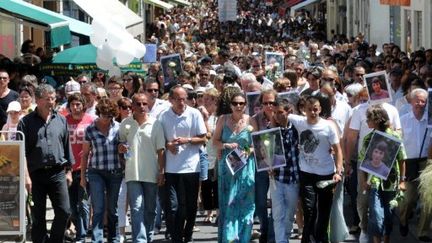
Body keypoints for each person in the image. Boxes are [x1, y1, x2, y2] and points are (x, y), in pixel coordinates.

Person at [17, 83, 74, 242]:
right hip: (36, 175)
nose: (51, 102)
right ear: (38, 100)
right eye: (48, 99)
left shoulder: (61, 120)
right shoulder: (26, 122)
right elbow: (22, 152)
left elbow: (66, 146)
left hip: (57, 173)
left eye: (54, 98)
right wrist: (26, 177)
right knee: (38, 217)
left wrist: (68, 171)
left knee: (64, 211)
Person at [288, 95, 343, 243]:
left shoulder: (328, 126)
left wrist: (338, 172)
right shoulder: (299, 121)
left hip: (326, 174)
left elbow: (338, 150)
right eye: (310, 110)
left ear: (320, 109)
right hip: (306, 173)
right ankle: (307, 239)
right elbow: (278, 111)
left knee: (324, 211)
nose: (313, 112)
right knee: (309, 210)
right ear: (304, 110)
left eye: (316, 109)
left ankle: (321, 238)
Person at [158, 85, 207, 243]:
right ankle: (176, 236)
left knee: (190, 205)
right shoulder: (163, 116)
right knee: (173, 206)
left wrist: (188, 140)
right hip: (171, 168)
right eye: (178, 99)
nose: (181, 102)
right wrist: (168, 145)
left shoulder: (194, 114)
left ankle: (188, 233)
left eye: (184, 98)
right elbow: (158, 140)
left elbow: (203, 138)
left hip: (191, 167)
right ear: (170, 100)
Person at [118, 93, 166, 242]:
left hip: (151, 173)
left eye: (144, 104)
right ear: (132, 106)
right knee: (137, 208)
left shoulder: (156, 124)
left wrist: (161, 172)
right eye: (138, 104)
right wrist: (121, 148)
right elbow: (121, 146)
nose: (141, 107)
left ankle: (148, 236)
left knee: (150, 209)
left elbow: (161, 151)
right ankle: (140, 239)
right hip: (132, 173)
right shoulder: (125, 123)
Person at [213, 92, 258, 243]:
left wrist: (245, 152)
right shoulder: (223, 119)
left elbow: (256, 145)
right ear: (231, 105)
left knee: (245, 203)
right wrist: (225, 145)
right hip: (227, 167)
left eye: (241, 103)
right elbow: (215, 142)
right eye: (235, 103)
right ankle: (229, 238)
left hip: (245, 166)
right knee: (228, 202)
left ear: (245, 105)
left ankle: (243, 238)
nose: (238, 106)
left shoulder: (251, 120)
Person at [359, 105, 406, 243]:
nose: (367, 121)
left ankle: (386, 240)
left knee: (388, 215)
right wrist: (363, 180)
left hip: (391, 182)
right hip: (374, 183)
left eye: (369, 119)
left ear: (377, 119)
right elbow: (363, 162)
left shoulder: (394, 136)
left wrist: (402, 181)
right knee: (375, 215)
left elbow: (402, 159)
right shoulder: (368, 138)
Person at [80, 98, 123, 242]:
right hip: (96, 172)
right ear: (99, 113)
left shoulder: (118, 127)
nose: (106, 119)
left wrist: (123, 149)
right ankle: (96, 239)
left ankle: (114, 238)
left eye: (110, 115)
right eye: (104, 115)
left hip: (115, 171)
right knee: (98, 208)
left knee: (112, 208)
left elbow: (125, 150)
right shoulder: (90, 129)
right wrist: (82, 177)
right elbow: (85, 154)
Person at [400, 88, 432, 242]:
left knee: (427, 198)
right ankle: (403, 220)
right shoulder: (403, 119)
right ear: (411, 101)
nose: (420, 103)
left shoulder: (430, 120)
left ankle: (423, 231)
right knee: (408, 200)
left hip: (427, 162)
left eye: (423, 100)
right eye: (417, 100)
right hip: (408, 163)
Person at [270, 98, 300, 243]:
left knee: (290, 213)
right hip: (277, 178)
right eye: (275, 113)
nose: (277, 115)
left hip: (293, 178)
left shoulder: (298, 129)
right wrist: (267, 165)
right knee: (277, 214)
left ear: (289, 112)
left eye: (280, 112)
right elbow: (265, 154)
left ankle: (285, 236)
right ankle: (281, 241)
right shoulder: (271, 131)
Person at [65, 93, 94, 242]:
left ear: (83, 105)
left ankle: (81, 236)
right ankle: (78, 229)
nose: (75, 107)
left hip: (85, 168)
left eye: (78, 104)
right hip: (68, 169)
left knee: (83, 204)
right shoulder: (64, 121)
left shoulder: (91, 121)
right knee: (71, 207)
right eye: (72, 105)